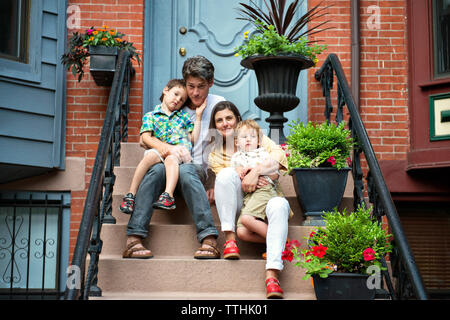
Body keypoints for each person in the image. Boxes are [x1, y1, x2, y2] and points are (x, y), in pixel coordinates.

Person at [122, 56, 225, 260]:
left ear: (211, 83)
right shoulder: (177, 105)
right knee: (156, 169)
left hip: (195, 172)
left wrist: (216, 181)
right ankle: (133, 238)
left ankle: (209, 238)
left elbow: (226, 145)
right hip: (168, 168)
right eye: (190, 86)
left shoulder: (218, 106)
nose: (194, 93)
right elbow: (146, 139)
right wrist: (168, 149)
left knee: (186, 169)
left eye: (201, 87)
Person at [208, 101, 291, 299]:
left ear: (237, 120)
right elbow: (229, 184)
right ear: (215, 126)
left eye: (229, 118)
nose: (225, 123)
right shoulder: (215, 155)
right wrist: (243, 174)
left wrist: (257, 171)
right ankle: (230, 240)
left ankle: (272, 275)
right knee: (227, 175)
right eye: (219, 120)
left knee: (279, 205)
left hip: (268, 194)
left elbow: (279, 160)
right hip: (244, 200)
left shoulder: (259, 142)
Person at [120, 78, 206, 213]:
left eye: (182, 99)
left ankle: (168, 195)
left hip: (179, 151)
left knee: (171, 159)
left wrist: (198, 116)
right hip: (158, 150)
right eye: (176, 94)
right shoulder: (151, 115)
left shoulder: (183, 117)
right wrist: (161, 148)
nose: (178, 100)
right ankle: (130, 195)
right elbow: (145, 137)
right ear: (166, 90)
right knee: (148, 158)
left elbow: (192, 138)